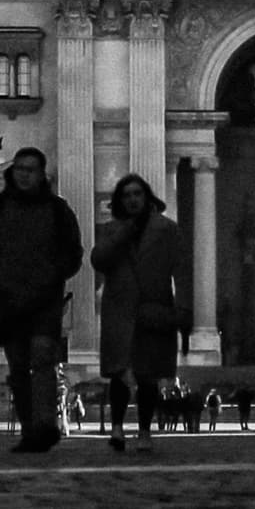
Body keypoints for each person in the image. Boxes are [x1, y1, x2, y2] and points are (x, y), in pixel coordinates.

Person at [0, 148, 84, 456]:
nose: (24, 174)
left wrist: (53, 274)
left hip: (44, 298)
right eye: (19, 168)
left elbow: (73, 253)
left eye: (30, 169)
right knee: (18, 365)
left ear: (41, 173)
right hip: (7, 299)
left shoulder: (58, 211)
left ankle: (44, 424)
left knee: (43, 358)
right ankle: (32, 428)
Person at [92, 174, 188, 449]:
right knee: (120, 373)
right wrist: (124, 234)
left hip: (154, 308)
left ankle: (145, 432)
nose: (132, 199)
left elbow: (181, 269)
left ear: (147, 197)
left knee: (148, 376)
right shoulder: (111, 230)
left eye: (137, 194)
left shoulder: (167, 229)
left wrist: (183, 309)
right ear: (120, 201)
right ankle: (118, 429)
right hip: (119, 310)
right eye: (127, 195)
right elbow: (98, 260)